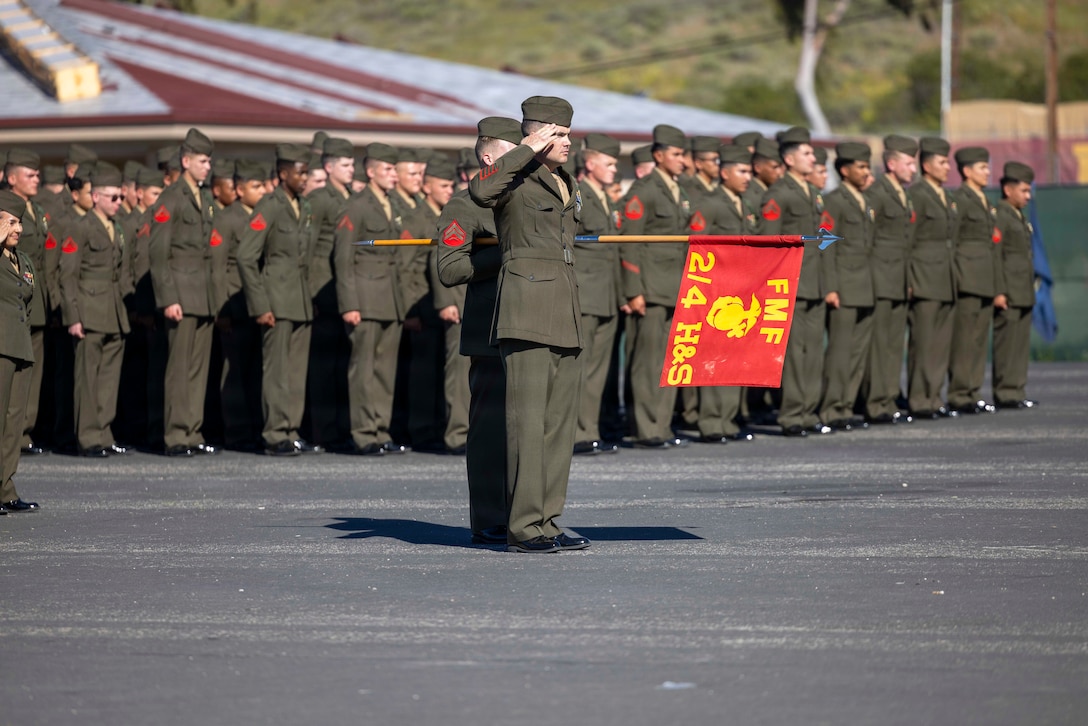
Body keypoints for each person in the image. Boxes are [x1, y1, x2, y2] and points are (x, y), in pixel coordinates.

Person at [469, 96, 589, 553]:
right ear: (535, 136)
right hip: (526, 311)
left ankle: (547, 520)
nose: (567, 143)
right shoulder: (513, 177)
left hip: (565, 307)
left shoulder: (563, 180)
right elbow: (481, 192)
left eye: (568, 134)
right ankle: (522, 527)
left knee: (558, 427)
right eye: (557, 135)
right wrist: (526, 149)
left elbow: (586, 226)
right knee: (527, 424)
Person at [437, 116, 521, 544]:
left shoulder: (528, 197)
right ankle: (491, 517)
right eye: (514, 148)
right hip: (489, 331)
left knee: (528, 430)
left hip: (530, 327)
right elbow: (450, 269)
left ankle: (529, 518)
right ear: (489, 157)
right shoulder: (465, 205)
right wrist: (506, 256)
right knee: (490, 433)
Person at [237, 144, 317, 456]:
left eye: (307, 172)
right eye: (299, 172)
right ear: (283, 174)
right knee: (277, 372)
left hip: (299, 300)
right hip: (275, 301)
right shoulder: (269, 205)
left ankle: (290, 430)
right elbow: (246, 256)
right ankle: (274, 434)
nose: (305, 177)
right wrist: (260, 305)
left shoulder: (303, 206)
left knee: (296, 372)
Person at [148, 128, 220, 457]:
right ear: (186, 160)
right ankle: (176, 435)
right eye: (203, 161)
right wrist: (168, 298)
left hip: (202, 294)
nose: (208, 166)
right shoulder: (172, 197)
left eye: (209, 161)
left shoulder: (203, 197)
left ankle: (192, 431)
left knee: (197, 368)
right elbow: (158, 252)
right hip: (181, 294)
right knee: (179, 369)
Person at [620, 124, 693, 448]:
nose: (684, 161)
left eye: (684, 154)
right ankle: (646, 429)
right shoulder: (645, 190)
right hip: (650, 289)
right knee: (647, 363)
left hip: (674, 287)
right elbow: (629, 243)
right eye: (677, 154)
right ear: (659, 155)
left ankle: (661, 426)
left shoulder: (678, 190)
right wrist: (633, 289)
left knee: (670, 362)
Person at [333, 143, 407, 456]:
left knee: (384, 370)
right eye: (387, 169)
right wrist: (349, 303)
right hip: (364, 298)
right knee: (362, 369)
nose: (393, 175)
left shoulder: (391, 204)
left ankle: (380, 428)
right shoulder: (357, 205)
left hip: (390, 298)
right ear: (371, 171)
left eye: (394, 169)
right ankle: (363, 433)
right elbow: (343, 258)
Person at [59, 162, 132, 457]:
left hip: (113, 311)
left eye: (120, 197)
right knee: (87, 379)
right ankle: (88, 437)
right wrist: (73, 317)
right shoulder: (80, 227)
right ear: (97, 196)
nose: (118, 203)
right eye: (113, 197)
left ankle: (104, 432)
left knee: (108, 379)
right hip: (88, 311)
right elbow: (67, 275)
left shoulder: (117, 228)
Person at [687, 144, 759, 443]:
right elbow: (696, 247)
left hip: (740, 291)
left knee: (734, 357)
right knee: (713, 357)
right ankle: (710, 421)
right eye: (742, 171)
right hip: (717, 291)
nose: (748, 177)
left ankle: (727, 419)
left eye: (750, 172)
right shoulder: (711, 203)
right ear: (725, 172)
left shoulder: (745, 204)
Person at [760, 126, 828, 437]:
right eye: (806, 153)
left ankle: (808, 410)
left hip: (813, 280)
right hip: (790, 283)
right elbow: (767, 241)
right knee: (795, 353)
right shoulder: (779, 194)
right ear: (789, 159)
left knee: (813, 352)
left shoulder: (811, 192)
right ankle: (791, 415)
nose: (812, 158)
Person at [572, 132, 623, 455]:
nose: (615, 170)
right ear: (590, 165)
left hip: (606, 292)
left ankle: (589, 430)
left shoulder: (605, 197)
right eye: (609, 164)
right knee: (581, 368)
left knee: (597, 372)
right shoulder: (578, 194)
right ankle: (577, 433)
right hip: (585, 292)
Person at [818, 142, 875, 431]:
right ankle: (831, 409)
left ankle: (846, 405)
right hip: (844, 286)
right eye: (861, 167)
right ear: (844, 170)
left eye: (867, 166)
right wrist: (831, 287)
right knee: (839, 352)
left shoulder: (864, 200)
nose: (866, 172)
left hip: (865, 286)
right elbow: (826, 245)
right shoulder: (835, 201)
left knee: (857, 353)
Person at [210, 160, 266, 451]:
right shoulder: (228, 218)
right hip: (234, 305)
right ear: (239, 189)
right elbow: (218, 268)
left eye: (264, 185)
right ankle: (236, 432)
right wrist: (222, 310)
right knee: (234, 374)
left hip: (256, 304)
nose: (263, 191)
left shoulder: (261, 215)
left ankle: (256, 428)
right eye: (256, 186)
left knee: (255, 372)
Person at [864, 135, 918, 425]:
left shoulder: (902, 193)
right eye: (908, 163)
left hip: (898, 278)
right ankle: (875, 403)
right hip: (881, 278)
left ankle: (888, 398)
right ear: (891, 163)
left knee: (894, 345)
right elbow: (868, 240)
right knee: (880, 344)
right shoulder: (878, 193)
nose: (913, 169)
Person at [304, 138, 354, 450]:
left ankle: (337, 429)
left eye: (352, 164)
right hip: (322, 291)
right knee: (322, 370)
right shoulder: (320, 199)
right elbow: (308, 251)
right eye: (345, 165)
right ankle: (321, 431)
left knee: (339, 367)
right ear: (328, 167)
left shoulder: (349, 197)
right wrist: (311, 294)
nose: (351, 170)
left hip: (341, 290)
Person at [907, 137, 958, 419]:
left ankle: (934, 397)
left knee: (940, 344)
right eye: (942, 162)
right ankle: (918, 399)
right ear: (926, 166)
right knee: (923, 343)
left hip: (945, 279)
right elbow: (909, 241)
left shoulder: (944, 196)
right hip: (925, 279)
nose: (947, 167)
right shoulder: (918, 194)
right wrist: (911, 280)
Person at [3, 149, 49, 456]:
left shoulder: (37, 210)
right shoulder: (4, 209)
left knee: (26, 383)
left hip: (30, 300)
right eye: (29, 174)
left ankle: (24, 434)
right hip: (6, 312)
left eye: (37, 174)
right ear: (11, 178)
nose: (37, 179)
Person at [948, 146, 998, 414]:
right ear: (967, 171)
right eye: (982, 167)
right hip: (967, 278)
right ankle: (959, 393)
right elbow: (953, 242)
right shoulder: (961, 199)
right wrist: (957, 277)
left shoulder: (983, 199)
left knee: (979, 340)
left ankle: (973, 391)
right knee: (964, 340)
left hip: (984, 278)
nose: (988, 172)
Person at [0, 190, 40, 514]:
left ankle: (6, 489)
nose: (19, 229)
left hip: (20, 348)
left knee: (14, 423)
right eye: (11, 222)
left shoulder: (21, 260)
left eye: (20, 223)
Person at [991, 161, 1038, 409]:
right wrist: (998, 290)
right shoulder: (1001, 215)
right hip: (1008, 290)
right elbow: (996, 255)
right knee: (1006, 344)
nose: (1028, 196)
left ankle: (1017, 390)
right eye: (1024, 191)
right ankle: (1005, 392)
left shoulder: (1018, 216)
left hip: (1022, 291)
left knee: (1019, 345)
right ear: (1008, 190)